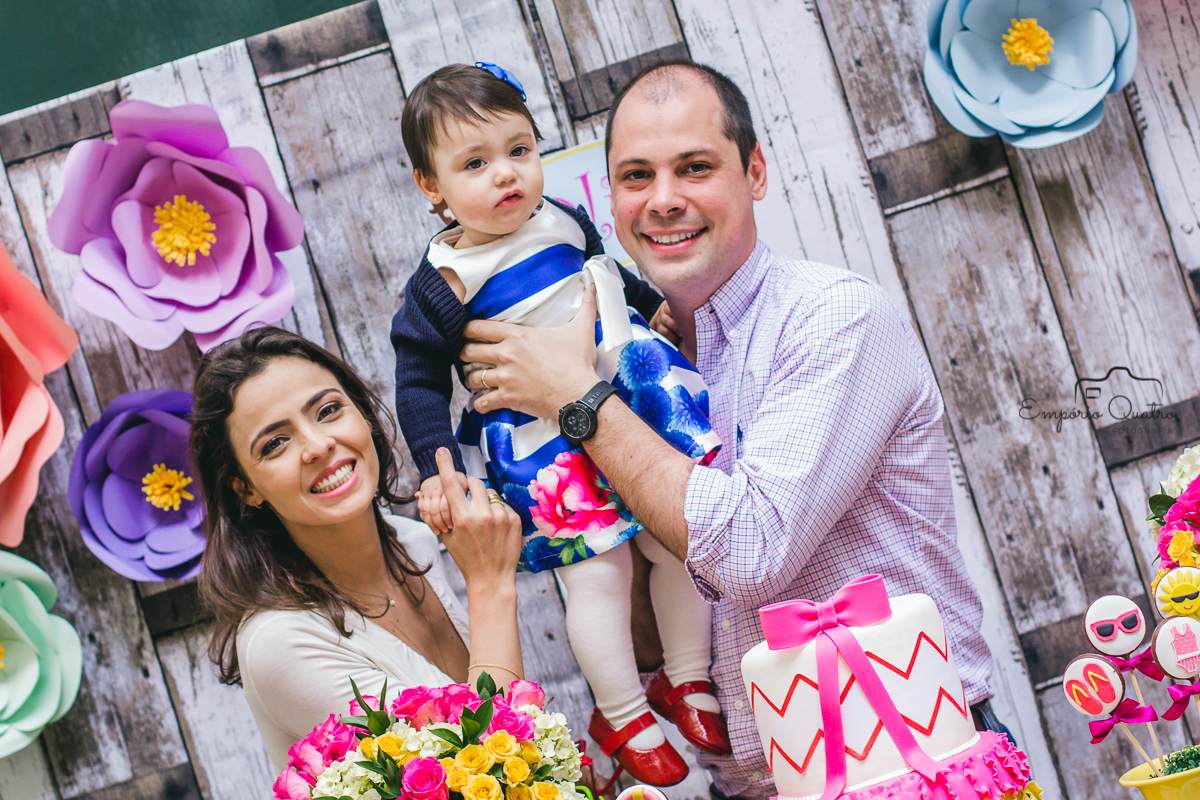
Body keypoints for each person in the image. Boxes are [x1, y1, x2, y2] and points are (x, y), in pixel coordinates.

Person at [453, 61, 995, 799]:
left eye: (695, 168)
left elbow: (748, 555)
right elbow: (673, 616)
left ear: (756, 172)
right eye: (636, 176)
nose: (664, 200)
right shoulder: (641, 362)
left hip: (907, 768)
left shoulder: (831, 318)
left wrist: (576, 400)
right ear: (607, 199)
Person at [389, 62, 730, 786]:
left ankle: (690, 675)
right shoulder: (444, 279)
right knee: (599, 575)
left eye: (520, 150)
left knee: (680, 538)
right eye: (475, 164)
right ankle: (624, 710)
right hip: (544, 443)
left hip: (628, 401)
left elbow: (607, 277)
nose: (507, 175)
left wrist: (652, 305)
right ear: (432, 187)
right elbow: (417, 380)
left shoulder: (565, 220)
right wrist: (436, 465)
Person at [190, 326, 524, 773]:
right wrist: (490, 586)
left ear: (361, 412)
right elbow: (486, 780)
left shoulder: (414, 540)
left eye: (328, 410)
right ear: (246, 488)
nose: (318, 445)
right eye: (275, 443)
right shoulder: (280, 645)